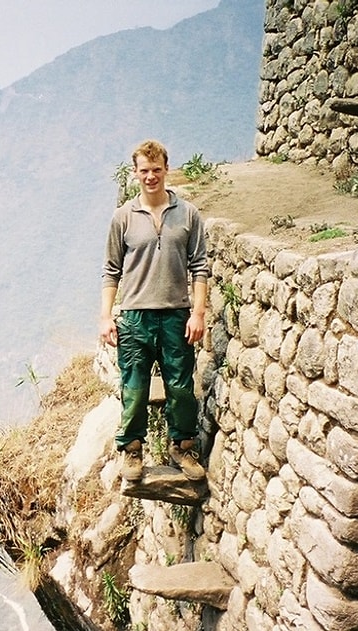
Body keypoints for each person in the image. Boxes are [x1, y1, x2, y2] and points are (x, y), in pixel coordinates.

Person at [99, 139, 209, 483]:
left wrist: (199, 312)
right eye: (144, 171)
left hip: (176, 314)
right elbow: (111, 270)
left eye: (156, 170)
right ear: (135, 173)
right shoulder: (123, 218)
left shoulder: (188, 214)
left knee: (180, 387)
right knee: (134, 388)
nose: (151, 177)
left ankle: (183, 448)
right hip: (134, 317)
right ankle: (132, 452)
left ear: (166, 169)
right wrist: (105, 317)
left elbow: (200, 267)